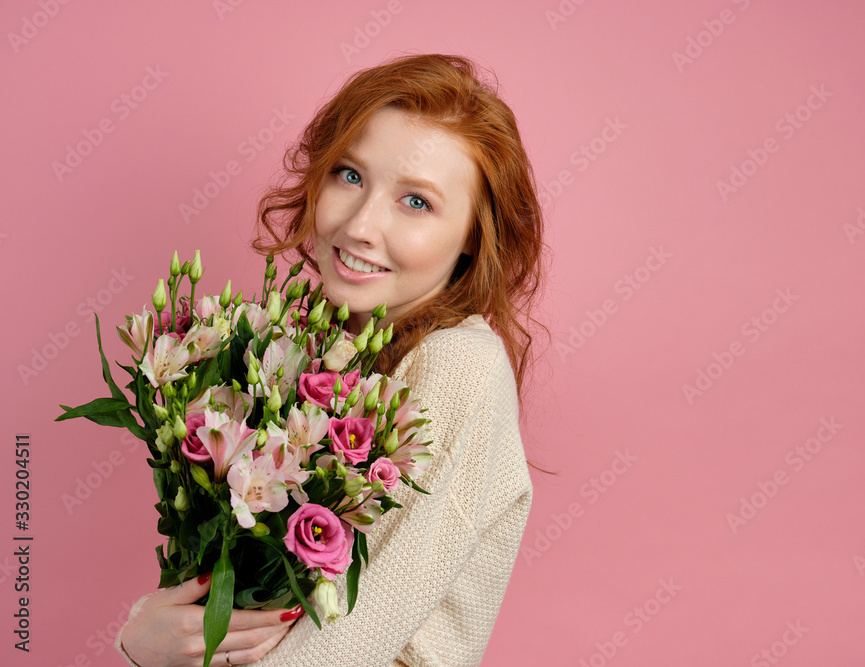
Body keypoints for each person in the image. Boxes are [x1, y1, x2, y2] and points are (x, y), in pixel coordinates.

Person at [117, 52, 550, 666]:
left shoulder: (459, 365)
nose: (361, 224)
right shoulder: (312, 347)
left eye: (417, 202)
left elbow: (348, 643)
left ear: (474, 238)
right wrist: (150, 638)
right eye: (349, 175)